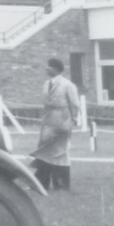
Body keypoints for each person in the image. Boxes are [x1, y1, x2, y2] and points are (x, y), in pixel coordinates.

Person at [30, 57, 80, 191]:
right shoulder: (46, 84)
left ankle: (61, 184)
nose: (46, 68)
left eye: (49, 66)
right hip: (48, 121)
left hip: (62, 120)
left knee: (60, 152)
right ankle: (41, 183)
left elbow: (75, 104)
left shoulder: (67, 84)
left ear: (55, 69)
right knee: (44, 151)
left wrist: (72, 120)